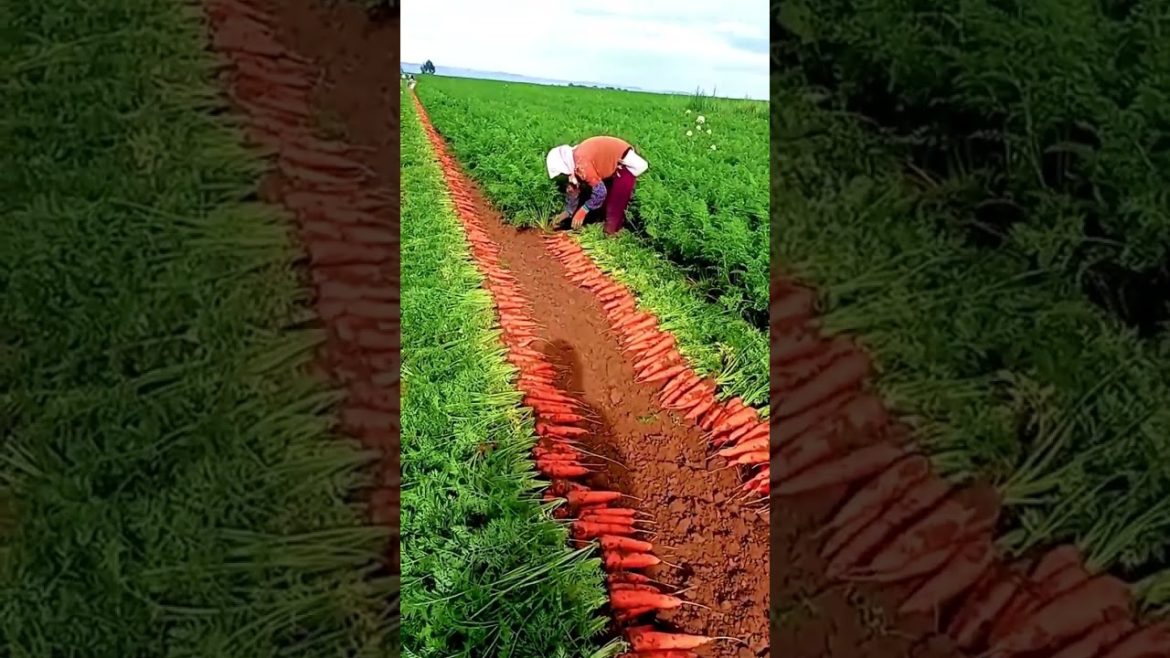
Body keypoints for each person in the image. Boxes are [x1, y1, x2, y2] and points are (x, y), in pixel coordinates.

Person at [545, 136, 649, 235]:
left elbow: (600, 192)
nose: (563, 176)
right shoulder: (572, 162)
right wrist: (567, 212)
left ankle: (611, 235)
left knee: (614, 205)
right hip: (609, 164)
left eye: (561, 173)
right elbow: (573, 189)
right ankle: (603, 223)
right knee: (602, 206)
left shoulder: (581, 164)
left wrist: (583, 210)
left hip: (624, 163)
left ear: (563, 165)